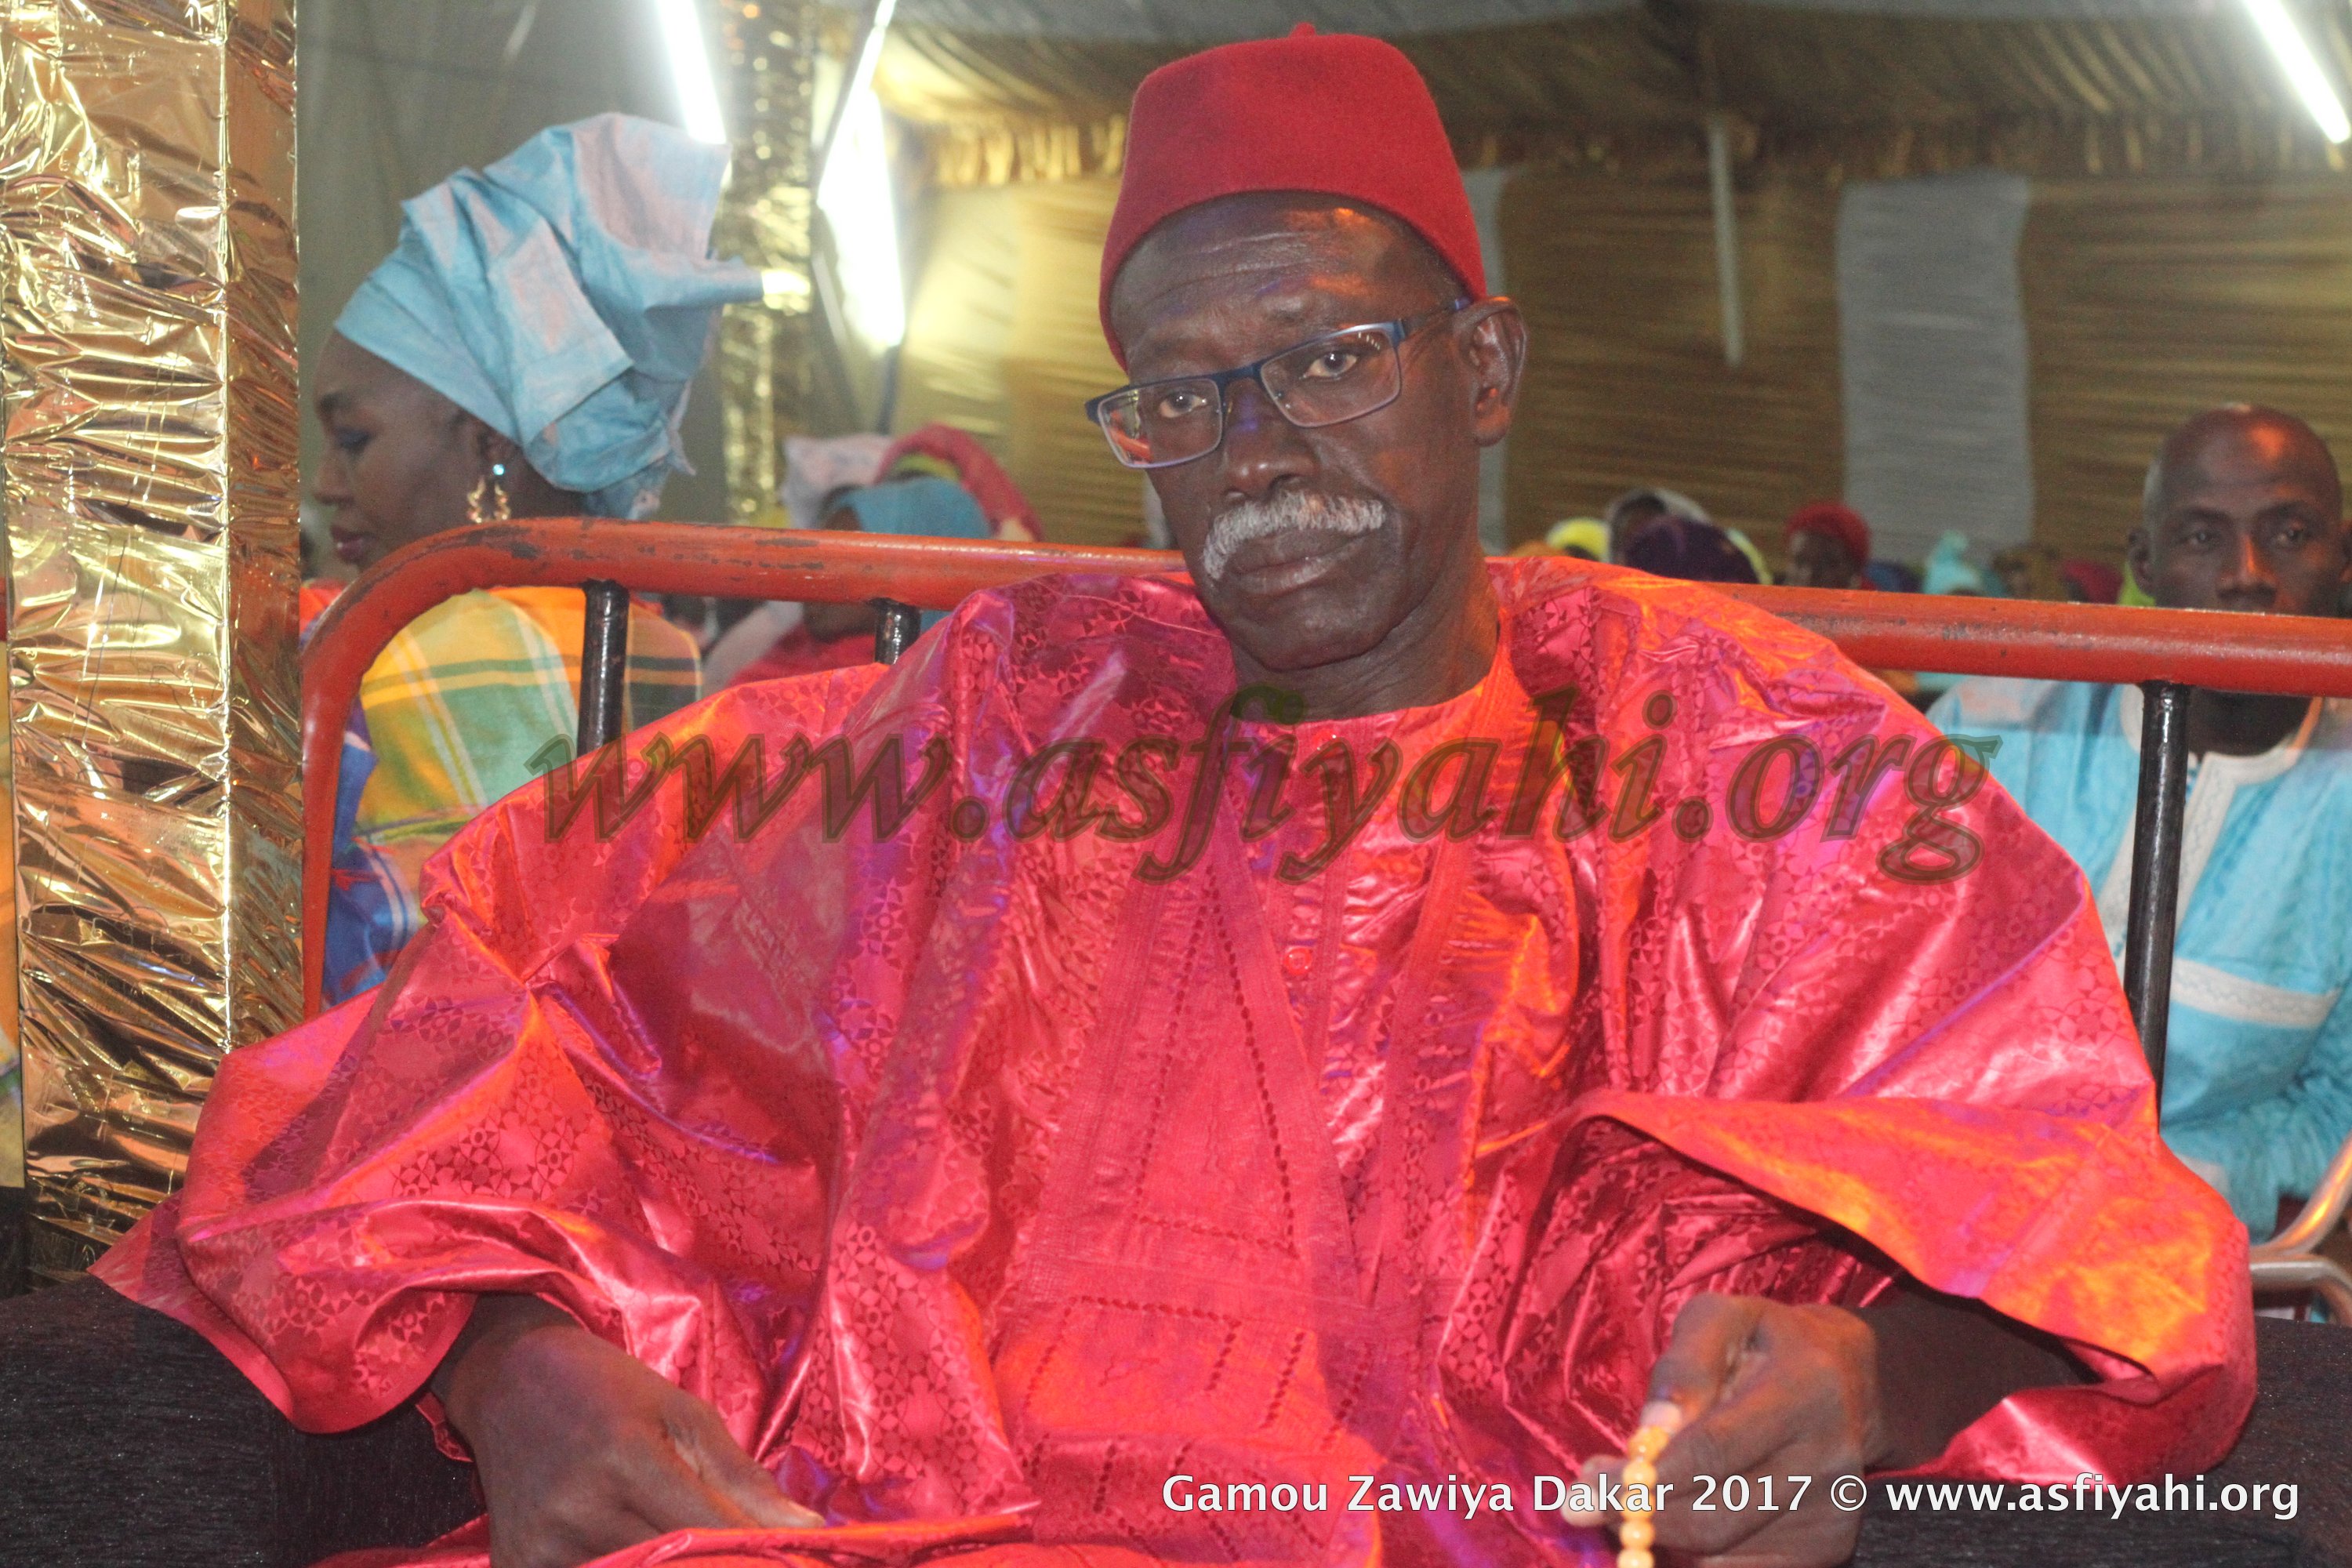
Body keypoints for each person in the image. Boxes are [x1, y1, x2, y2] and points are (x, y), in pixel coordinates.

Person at [9, 33, 2248, 1568]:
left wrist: (1876, 1365)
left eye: (1328, 359)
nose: (1253, 438)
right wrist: (509, 1363)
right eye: (1178, 394)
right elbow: (450, 1054)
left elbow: (2092, 1224)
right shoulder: (991, 726)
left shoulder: (1729, 758)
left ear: (1485, 374)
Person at [310, 114, 756, 1003]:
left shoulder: (395, 651)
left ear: (483, 444)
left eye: (352, 437)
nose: (324, 483)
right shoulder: (653, 640)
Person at [1932, 404, 2352, 1236]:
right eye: (2202, 537)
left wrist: (2168, 1183)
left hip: (2189, 1247)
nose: (2246, 575)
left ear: (2344, 562)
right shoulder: (1996, 723)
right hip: (1932, 1202)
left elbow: (2339, 1112)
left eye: (2290, 533)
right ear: (2144, 562)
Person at [1781, 500, 1871, 590]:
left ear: (1854, 568)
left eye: (1825, 564)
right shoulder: (1776, 600)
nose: (1808, 576)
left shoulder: (1874, 602)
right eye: (1799, 561)